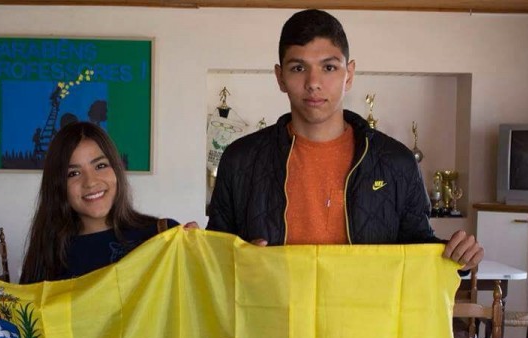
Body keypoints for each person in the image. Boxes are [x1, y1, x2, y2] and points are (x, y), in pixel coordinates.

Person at [207, 9, 483, 270]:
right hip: (272, 306)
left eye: (328, 67)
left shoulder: (396, 162)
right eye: (298, 68)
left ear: (349, 75)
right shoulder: (241, 159)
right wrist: (204, 251)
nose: (313, 83)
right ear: (280, 77)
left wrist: (455, 257)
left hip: (367, 307)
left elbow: (417, 248)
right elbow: (216, 256)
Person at [0, 121, 193, 312]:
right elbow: (29, 332)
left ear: (116, 170)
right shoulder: (49, 253)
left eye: (100, 166)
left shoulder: (163, 235)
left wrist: (200, 256)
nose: (90, 182)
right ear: (58, 186)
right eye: (73, 173)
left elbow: (196, 308)